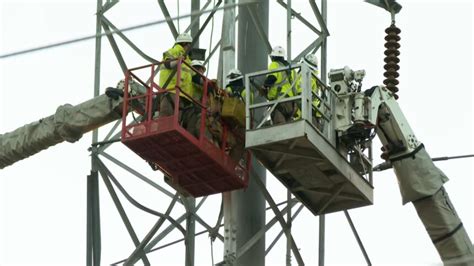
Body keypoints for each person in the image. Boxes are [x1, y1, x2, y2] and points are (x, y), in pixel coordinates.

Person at [158, 32, 198, 136]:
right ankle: (163, 137)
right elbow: (167, 63)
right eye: (189, 45)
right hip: (171, 90)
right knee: (166, 117)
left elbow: (194, 77)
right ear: (185, 44)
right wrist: (177, 62)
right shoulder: (175, 51)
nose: (189, 48)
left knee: (177, 119)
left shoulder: (188, 60)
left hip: (182, 94)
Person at [263, 45, 297, 124]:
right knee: (289, 127)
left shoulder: (275, 64)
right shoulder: (292, 70)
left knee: (279, 126)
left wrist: (264, 86)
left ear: (273, 56)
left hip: (280, 100)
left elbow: (272, 77)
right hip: (291, 103)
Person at [296, 53, 324, 130]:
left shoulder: (305, 77)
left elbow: (301, 94)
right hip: (313, 111)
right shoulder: (313, 78)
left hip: (308, 111)